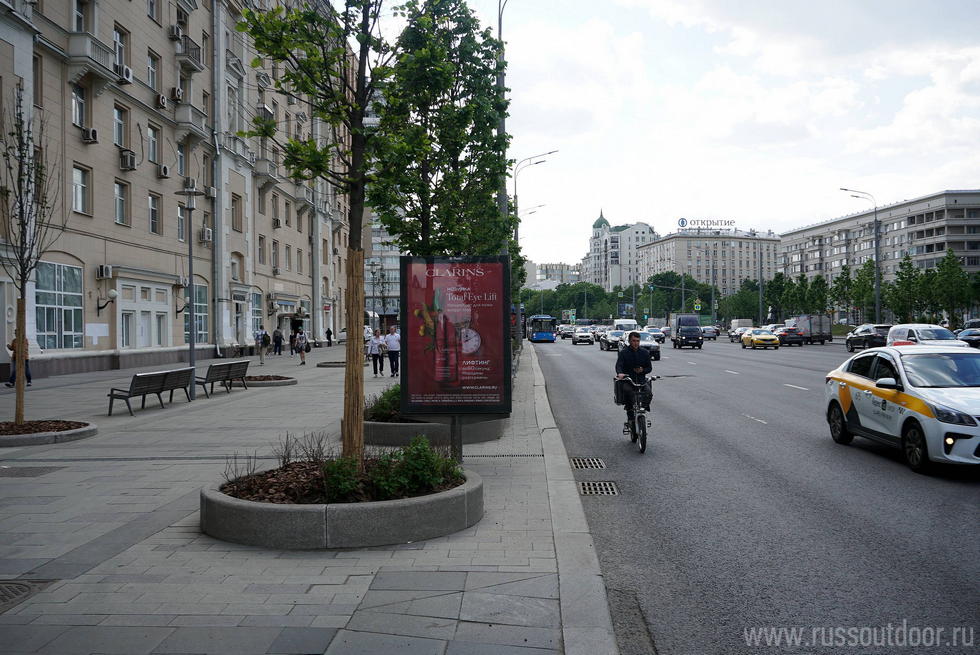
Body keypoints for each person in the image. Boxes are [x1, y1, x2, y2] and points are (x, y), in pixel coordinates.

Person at [615, 331, 652, 429]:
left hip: (641, 380)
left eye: (637, 341)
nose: (636, 343)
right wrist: (620, 373)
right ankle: (630, 414)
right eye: (633, 341)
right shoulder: (624, 353)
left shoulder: (644, 353)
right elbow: (619, 365)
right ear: (629, 341)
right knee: (628, 392)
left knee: (648, 392)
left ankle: (643, 408)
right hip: (628, 380)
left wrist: (643, 370)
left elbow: (649, 368)